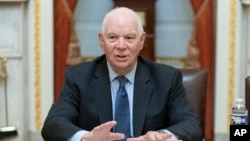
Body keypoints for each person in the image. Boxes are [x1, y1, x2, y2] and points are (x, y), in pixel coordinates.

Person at [41, 7, 202, 141]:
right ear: (101, 41)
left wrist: (161, 136)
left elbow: (191, 125)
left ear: (142, 40)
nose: (121, 45)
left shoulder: (166, 78)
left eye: (129, 38)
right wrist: (85, 138)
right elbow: (53, 124)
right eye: (112, 37)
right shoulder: (78, 77)